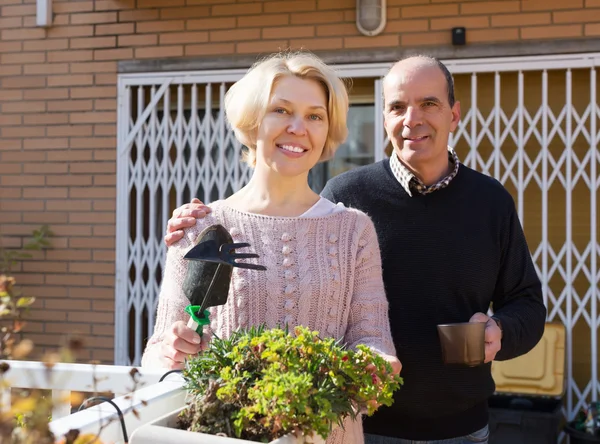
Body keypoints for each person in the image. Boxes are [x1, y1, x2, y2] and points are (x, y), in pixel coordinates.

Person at [164, 55, 547, 444]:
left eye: (429, 104)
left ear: (454, 114)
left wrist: (500, 331)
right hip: (364, 425)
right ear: (384, 117)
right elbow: (167, 351)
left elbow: (527, 303)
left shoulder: (488, 201)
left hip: (458, 429)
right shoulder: (349, 198)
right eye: (397, 106)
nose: (412, 119)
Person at [142, 51, 401, 444]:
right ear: (253, 122)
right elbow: (157, 353)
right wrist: (172, 352)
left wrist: (377, 364)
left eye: (315, 116)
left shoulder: (353, 231)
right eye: (281, 110)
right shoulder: (201, 227)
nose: (299, 127)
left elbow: (372, 338)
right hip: (225, 436)